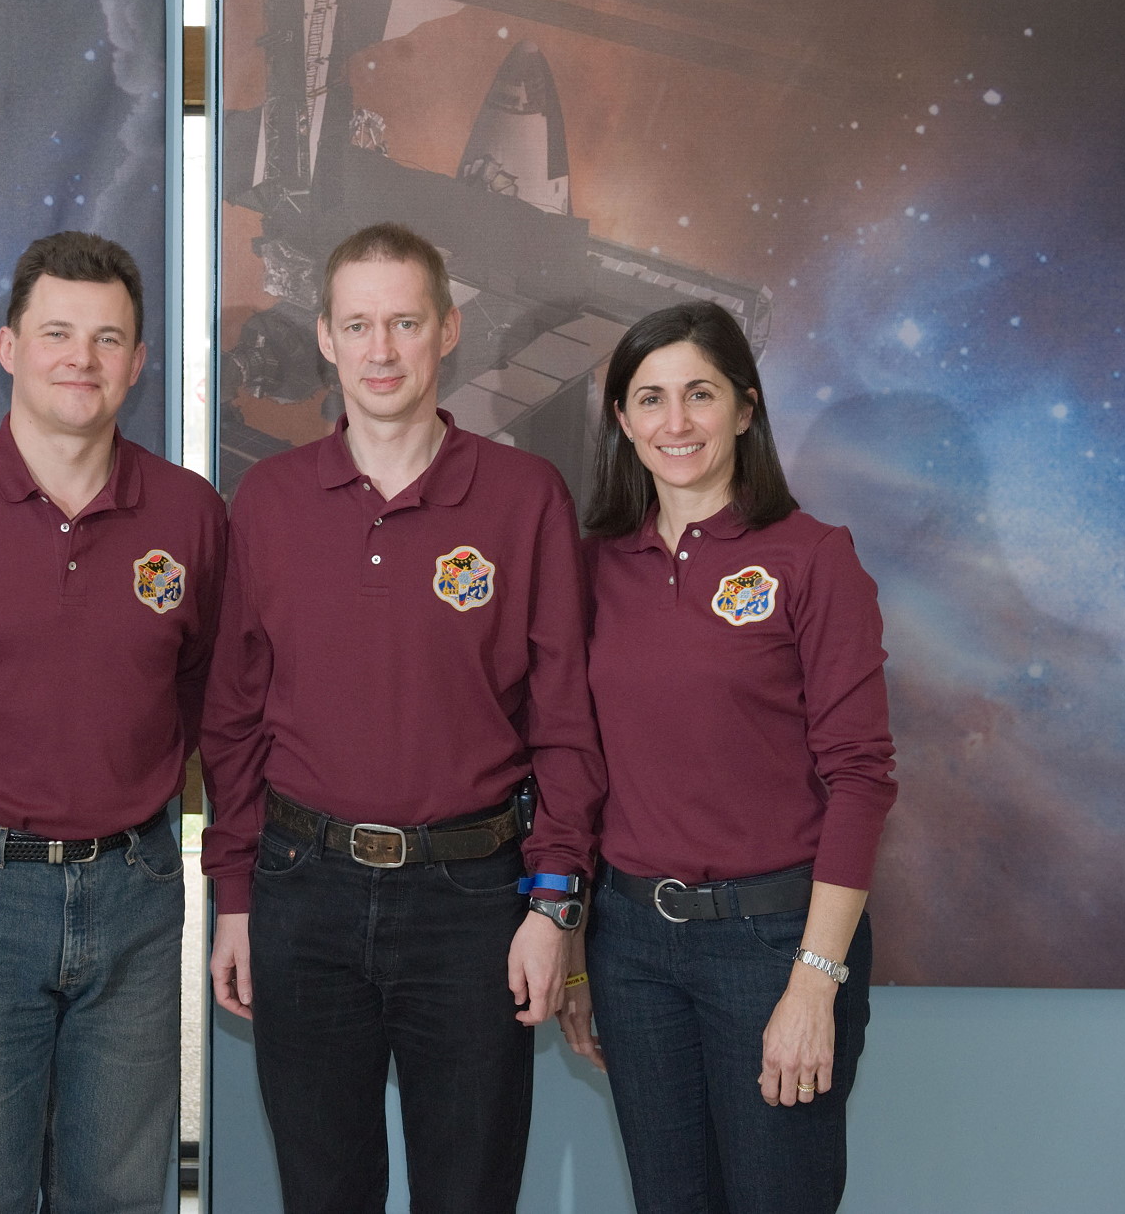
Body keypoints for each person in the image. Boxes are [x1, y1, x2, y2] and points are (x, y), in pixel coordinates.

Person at [201, 222, 604, 1214]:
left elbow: (564, 719)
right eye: (357, 324)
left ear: (448, 330)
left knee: (469, 1193)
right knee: (322, 1192)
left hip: (473, 901)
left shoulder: (523, 498)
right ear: (326, 339)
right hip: (303, 894)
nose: (380, 349)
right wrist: (235, 895)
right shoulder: (269, 499)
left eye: (404, 323)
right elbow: (233, 717)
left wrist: (553, 905)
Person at [0, 230, 225, 1213]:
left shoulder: (189, 516)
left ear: (138, 362)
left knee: (119, 1193)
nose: (81, 359)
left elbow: (201, 693)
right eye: (57, 332)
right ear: (9, 346)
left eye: (107, 338)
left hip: (139, 889)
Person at [555, 301, 898, 1213]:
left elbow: (861, 778)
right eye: (651, 398)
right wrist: (579, 947)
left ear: (745, 408)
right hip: (632, 948)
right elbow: (574, 767)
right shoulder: (591, 569)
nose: (676, 421)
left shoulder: (812, 558)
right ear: (622, 419)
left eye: (700, 394)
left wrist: (815, 982)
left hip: (775, 944)